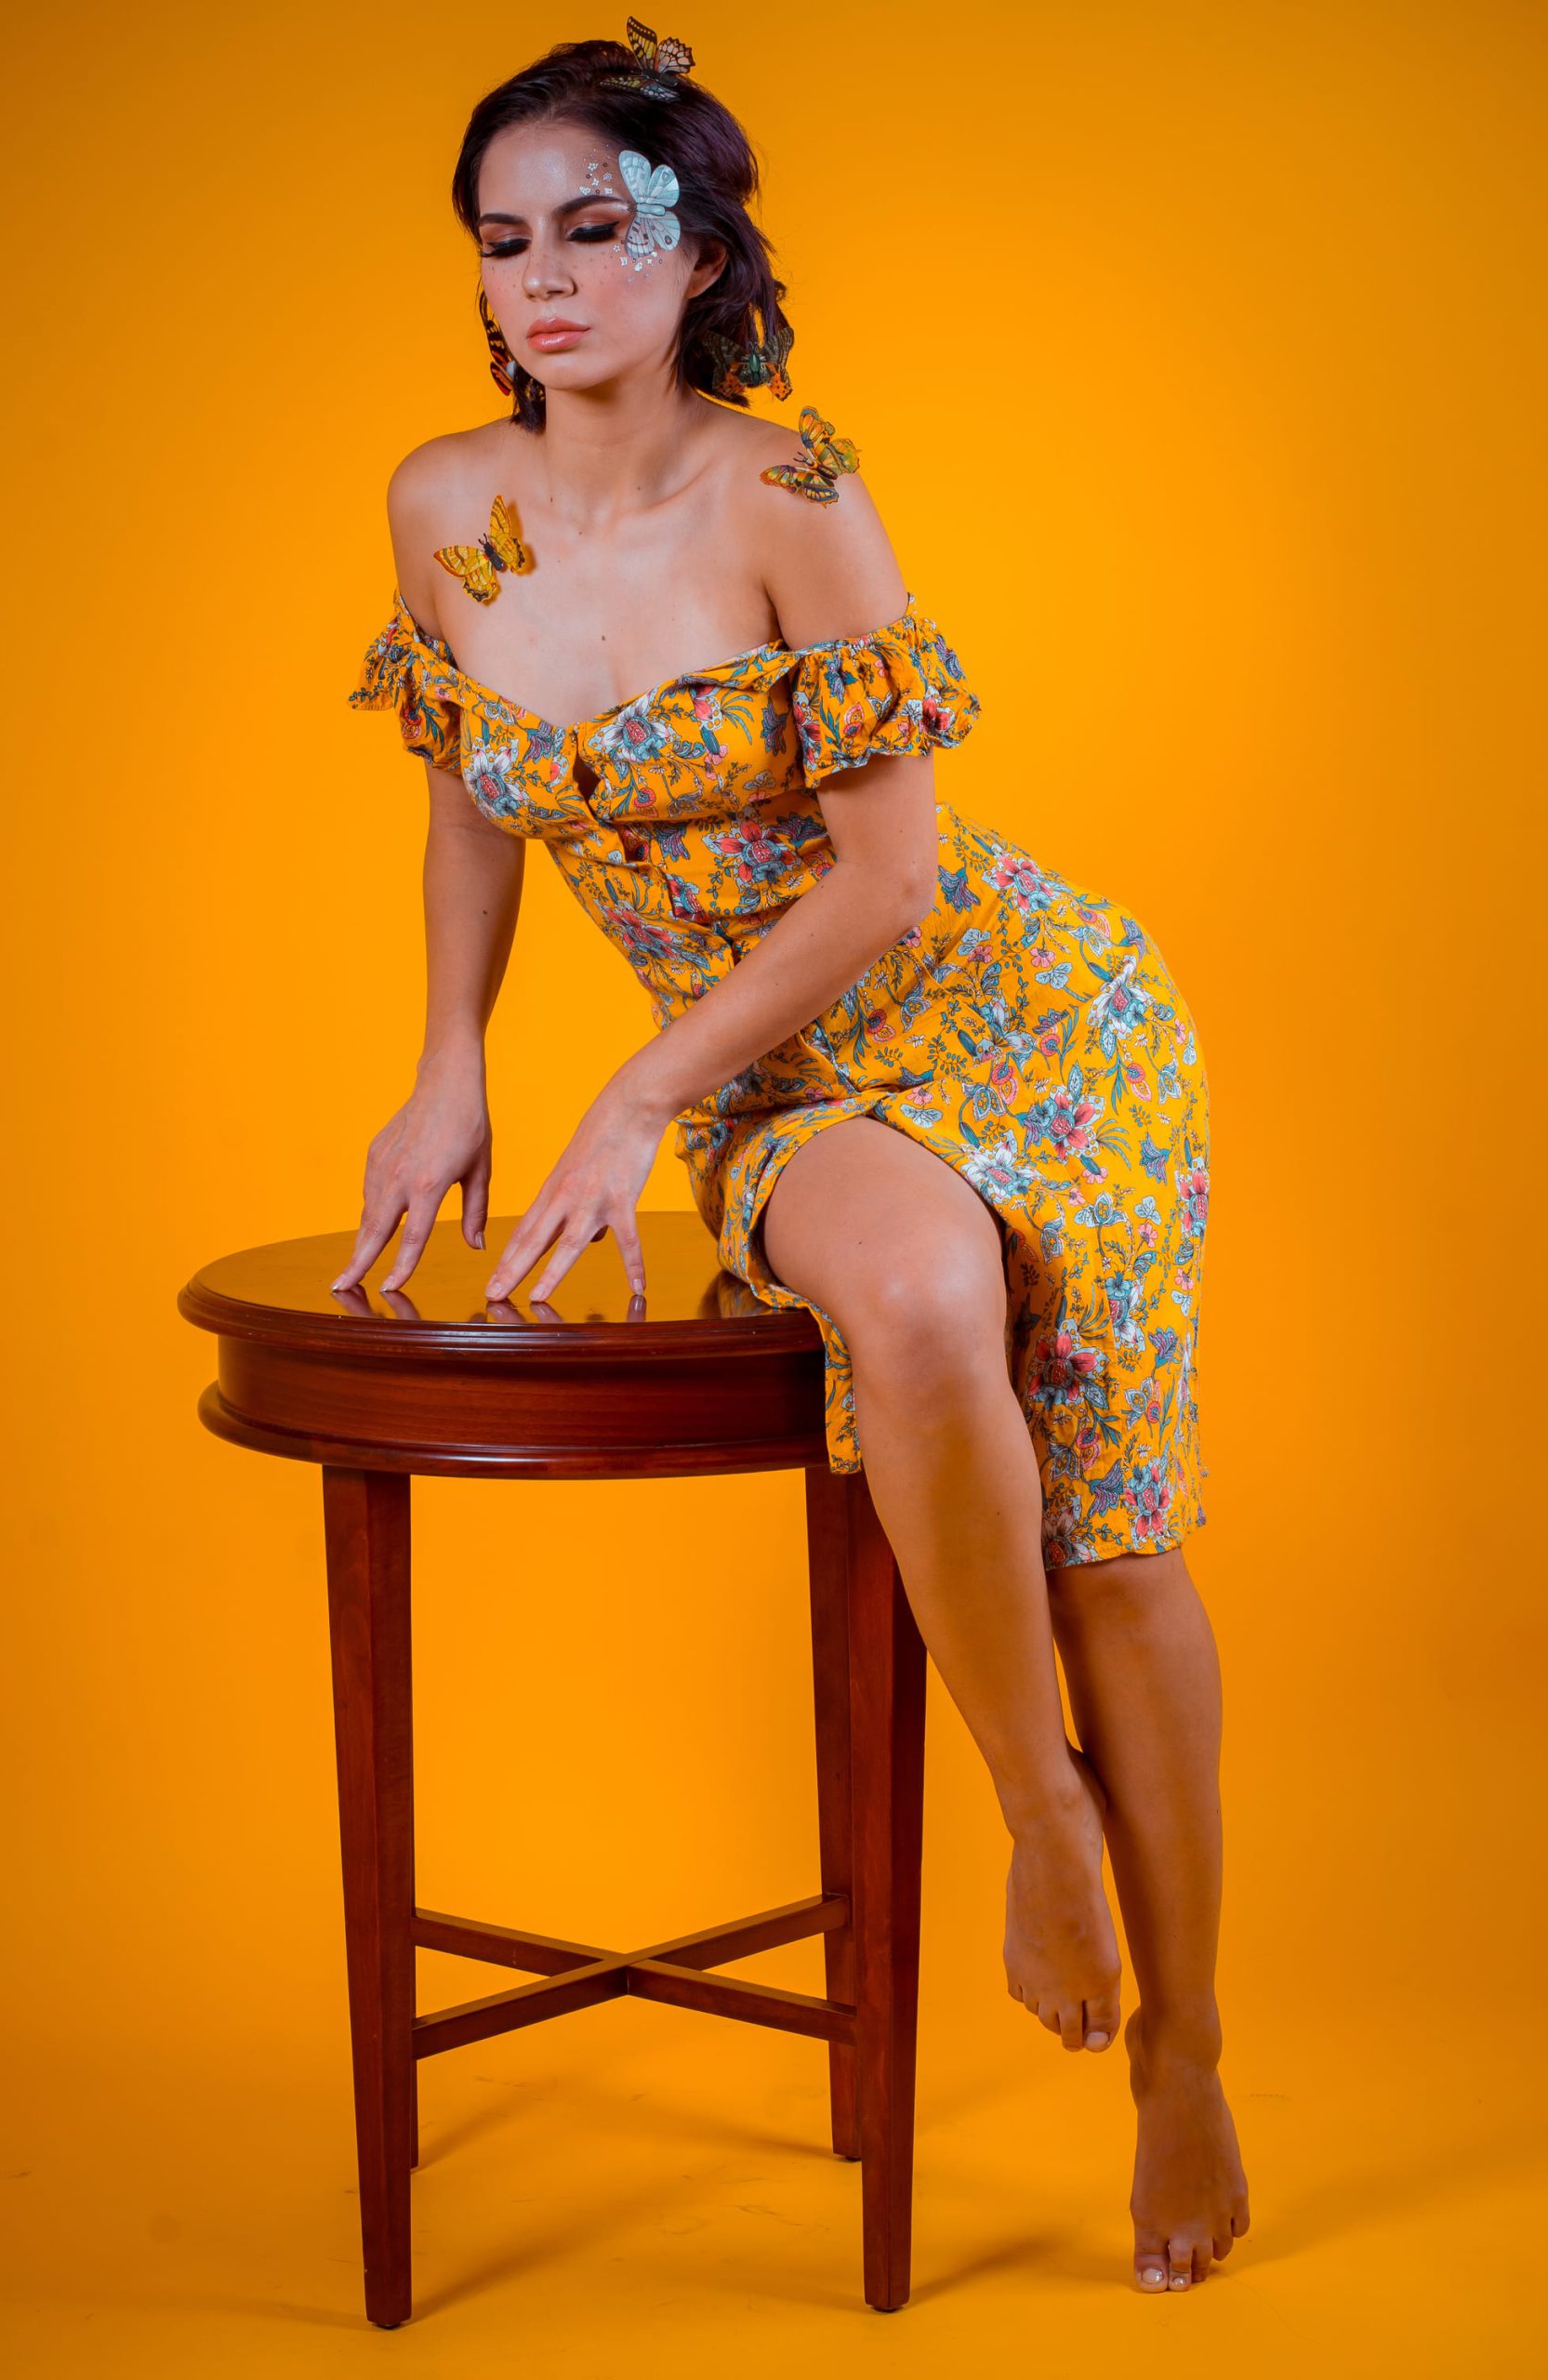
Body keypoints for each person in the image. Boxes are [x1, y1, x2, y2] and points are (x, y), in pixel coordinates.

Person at [337, 28, 1249, 2296]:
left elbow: (888, 877)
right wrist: (450, 1057)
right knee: (913, 1297)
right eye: (504, 241)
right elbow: (469, 792)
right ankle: (1038, 1817)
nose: (545, 279)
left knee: (1111, 1538)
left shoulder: (789, 489)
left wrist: (628, 1095)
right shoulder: (443, 504)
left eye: (594, 227)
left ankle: (1185, 2044)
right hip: (778, 1075)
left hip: (1027, 1021)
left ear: (695, 251)